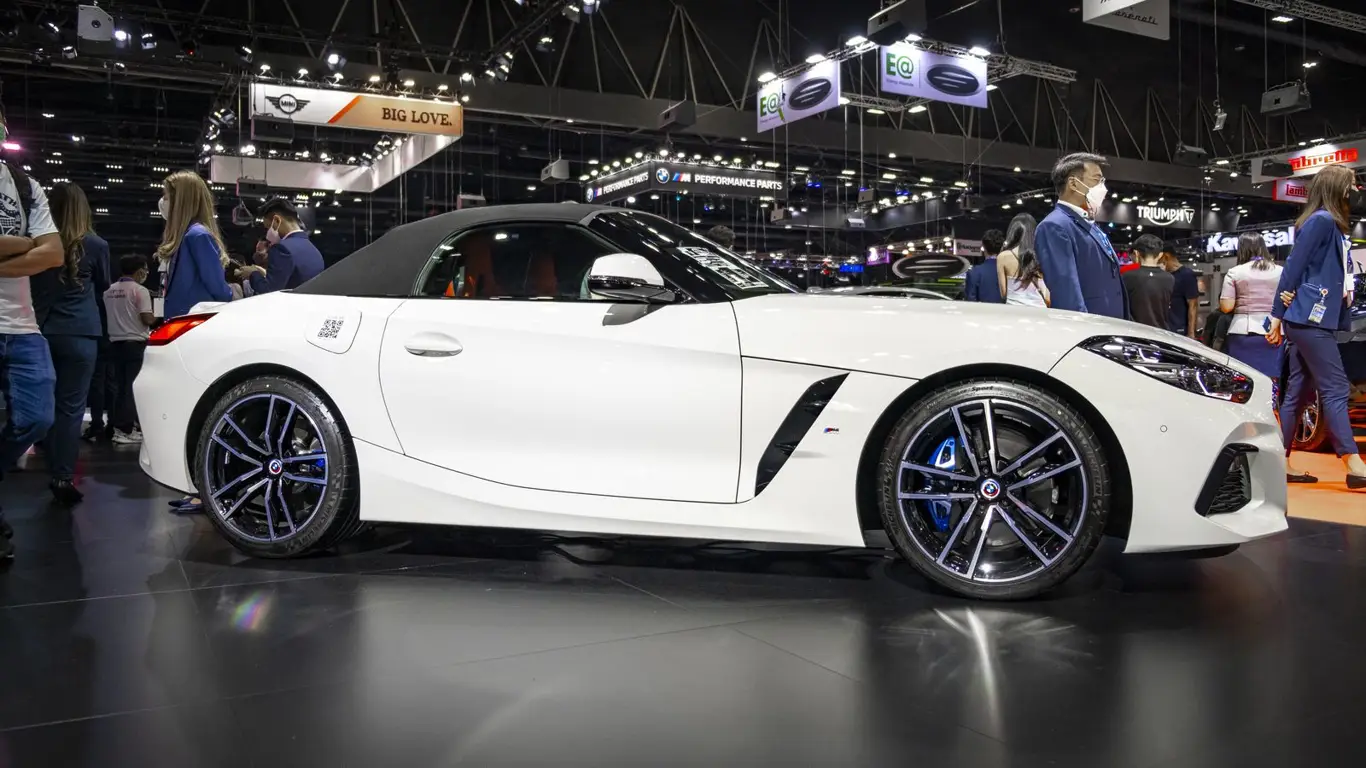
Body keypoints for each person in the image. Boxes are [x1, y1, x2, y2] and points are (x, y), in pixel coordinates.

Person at [1268, 164, 1366, 488]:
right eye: (1352, 185)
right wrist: (1276, 315)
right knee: (1335, 389)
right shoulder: (1321, 221)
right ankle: (1353, 463)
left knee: (1298, 393)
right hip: (1309, 320)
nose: (1356, 190)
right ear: (1338, 188)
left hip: (1309, 319)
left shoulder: (1330, 224)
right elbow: (1292, 267)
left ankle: (1278, 463)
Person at [0, 105, 65, 558]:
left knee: (38, 417)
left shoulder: (24, 185)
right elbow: (37, 248)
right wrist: (26, 244)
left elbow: (53, 253)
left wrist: (24, 247)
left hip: (23, 326)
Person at [29, 183, 109, 505]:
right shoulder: (97, 245)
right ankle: (62, 476)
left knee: (42, 405)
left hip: (41, 331)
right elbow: (103, 286)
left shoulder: (37, 243)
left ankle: (39, 460)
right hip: (81, 334)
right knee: (71, 409)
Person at [1034, 152, 1128, 318]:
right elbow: (1066, 294)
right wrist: (1084, 329)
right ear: (1073, 183)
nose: (1103, 188)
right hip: (1091, 327)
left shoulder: (1089, 223)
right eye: (1097, 180)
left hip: (1110, 323)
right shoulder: (1055, 226)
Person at [157, 170, 233, 319]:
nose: (163, 201)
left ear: (181, 201)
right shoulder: (181, 238)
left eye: (167, 196)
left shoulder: (198, 236)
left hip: (192, 320)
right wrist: (159, 315)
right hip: (176, 320)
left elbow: (218, 288)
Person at [103, 255, 154, 445]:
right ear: (139, 271)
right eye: (146, 270)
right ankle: (125, 429)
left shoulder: (109, 291)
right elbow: (147, 319)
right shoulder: (140, 290)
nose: (147, 273)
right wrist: (159, 315)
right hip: (135, 345)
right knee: (131, 389)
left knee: (118, 388)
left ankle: (115, 426)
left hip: (114, 344)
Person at [1219, 232, 1284, 379]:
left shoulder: (1235, 272)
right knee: (1273, 377)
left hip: (1243, 330)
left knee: (1243, 378)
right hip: (1275, 331)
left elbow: (1227, 307)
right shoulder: (1281, 271)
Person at [244, 198, 325, 295]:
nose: (267, 233)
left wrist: (252, 274)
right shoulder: (315, 251)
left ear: (277, 220)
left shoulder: (282, 249)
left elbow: (269, 292)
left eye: (268, 227)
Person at [1121, 234, 1174, 330]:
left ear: (1136, 253)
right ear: (1160, 255)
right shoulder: (1170, 278)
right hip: (1162, 332)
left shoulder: (1127, 276)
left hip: (1135, 332)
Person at [996, 214, 1049, 307]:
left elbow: (1004, 293)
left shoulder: (1003, 257)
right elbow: (1047, 296)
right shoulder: (1043, 256)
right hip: (1039, 311)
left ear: (1012, 233)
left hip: (1014, 310)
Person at [1163, 241, 1201, 338]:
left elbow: (1193, 305)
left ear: (1166, 256)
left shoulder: (1186, 275)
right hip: (1164, 329)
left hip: (1180, 330)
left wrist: (1191, 333)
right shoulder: (1164, 276)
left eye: (1159, 260)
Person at [963, 229, 1005, 303]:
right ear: (1002, 248)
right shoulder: (1008, 272)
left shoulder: (974, 272)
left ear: (983, 247)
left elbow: (970, 302)